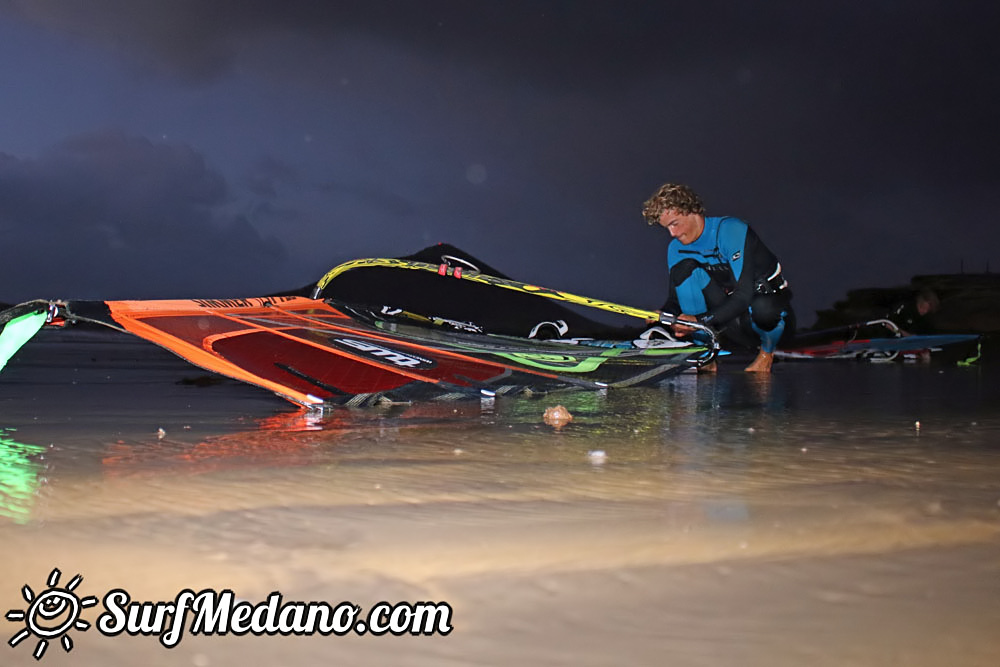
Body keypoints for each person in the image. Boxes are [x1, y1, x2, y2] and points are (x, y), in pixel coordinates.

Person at [641, 183, 795, 372]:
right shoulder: (676, 249)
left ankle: (766, 354)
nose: (673, 233)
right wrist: (663, 314)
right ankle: (706, 354)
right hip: (727, 320)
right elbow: (675, 300)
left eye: (674, 224)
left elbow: (743, 296)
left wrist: (699, 321)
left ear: (692, 211)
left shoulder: (731, 230)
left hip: (771, 320)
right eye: (667, 228)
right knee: (683, 270)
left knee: (763, 307)